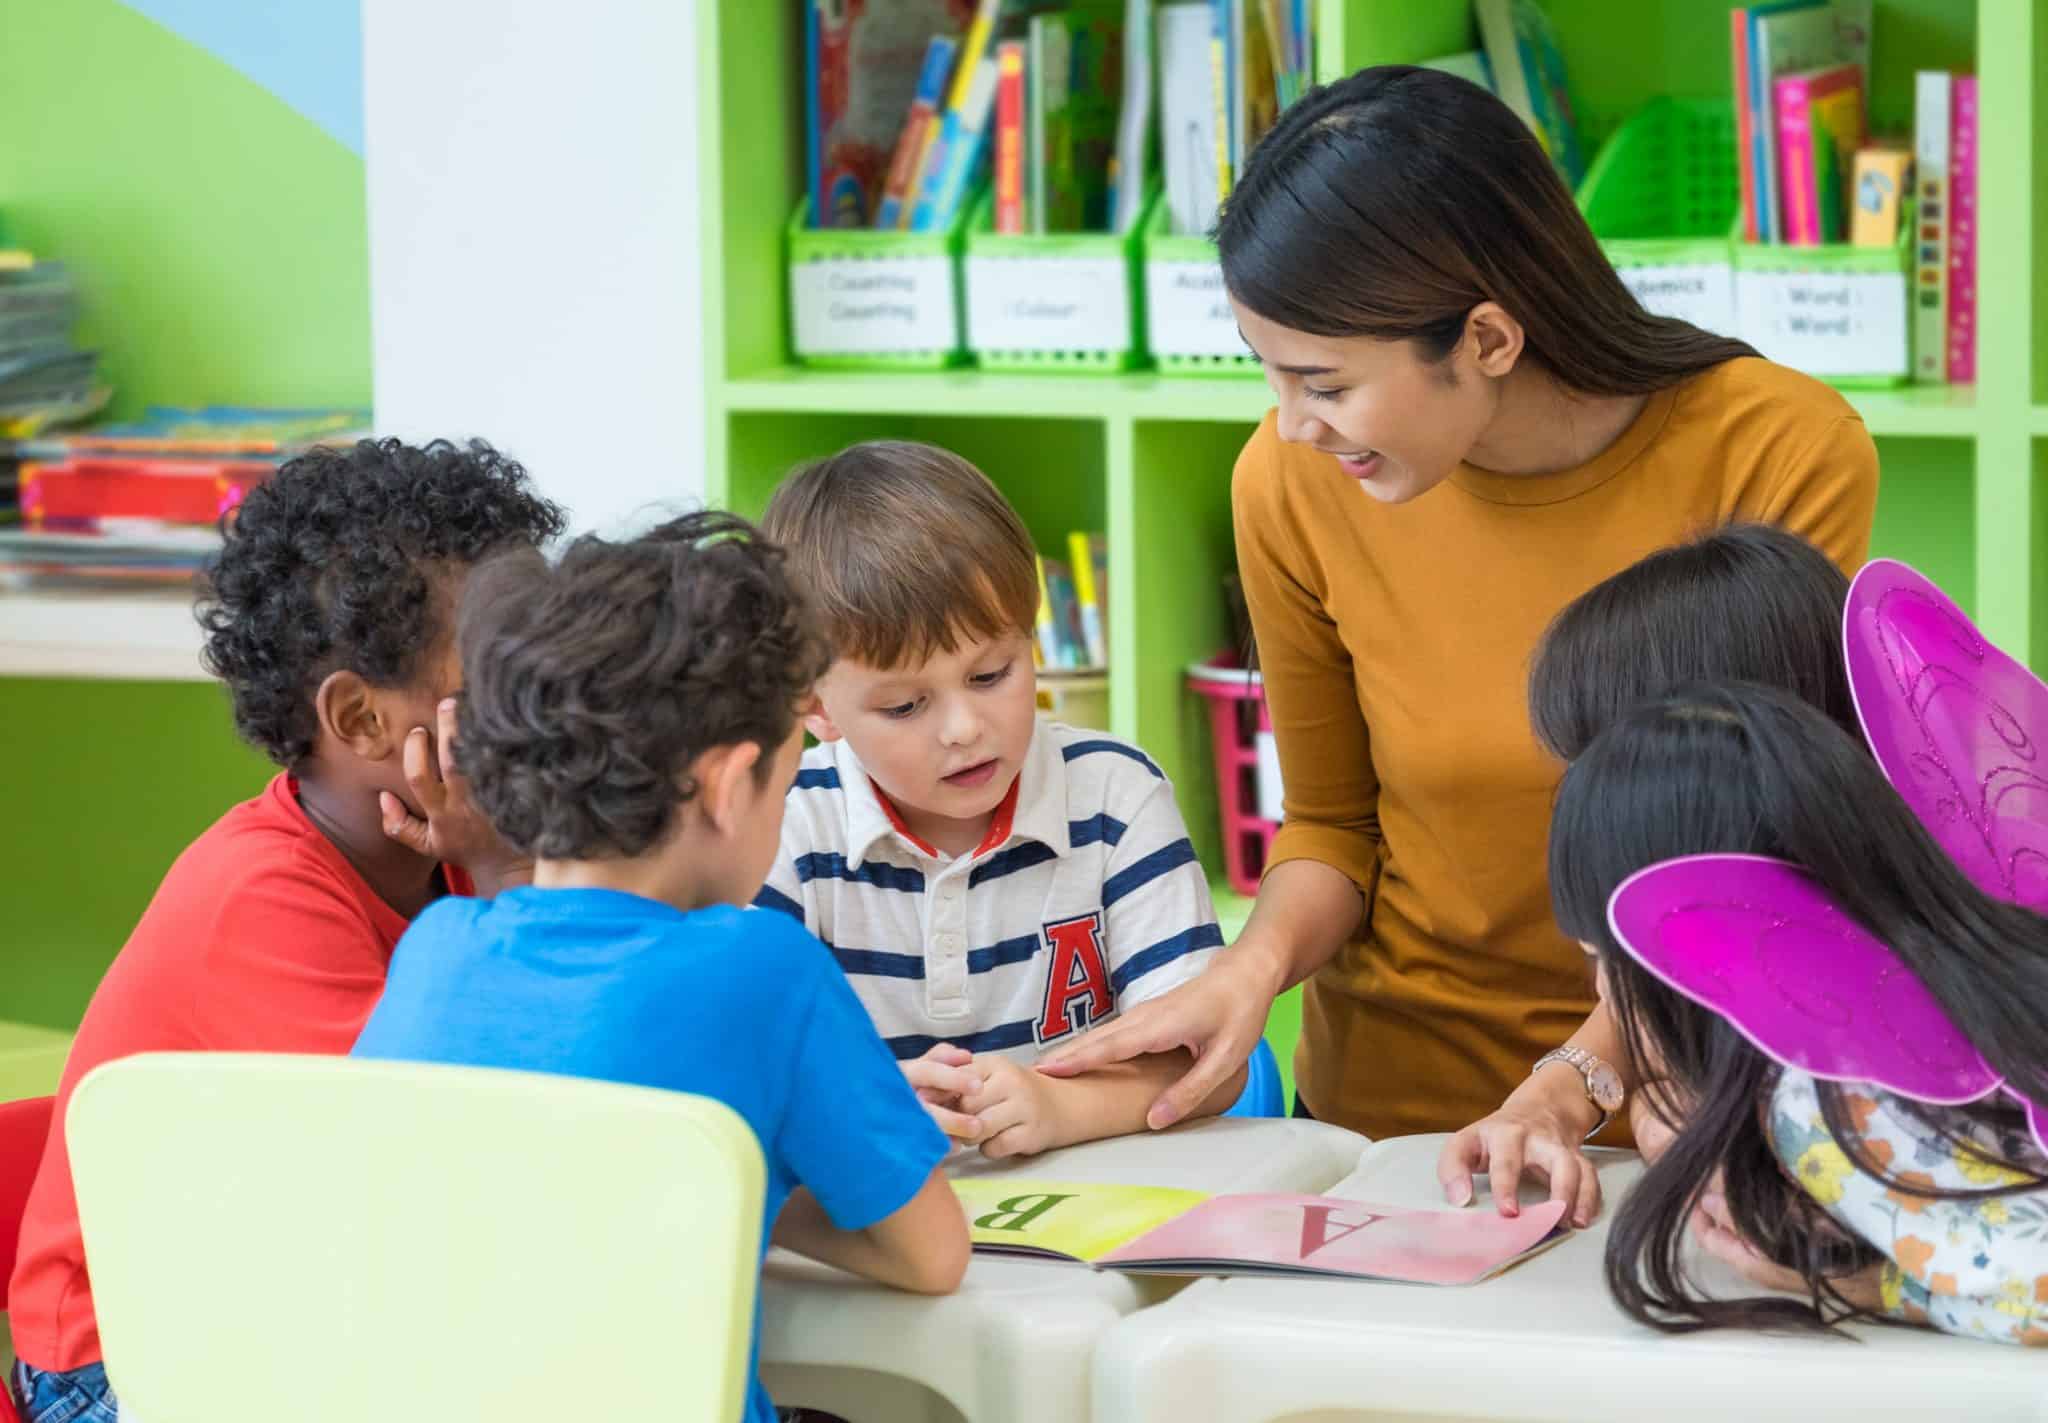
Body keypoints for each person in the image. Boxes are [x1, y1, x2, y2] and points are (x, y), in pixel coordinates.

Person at [1037, 63, 1878, 1223]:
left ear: (1485, 337)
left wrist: (1568, 1084)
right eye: (1270, 374)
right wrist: (1246, 971)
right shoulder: (1288, 481)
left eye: (1322, 380)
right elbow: (1333, 824)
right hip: (1386, 1134)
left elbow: (1746, 859)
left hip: (1686, 1121)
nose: (1290, 423)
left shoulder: (1776, 449)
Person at [354, 511, 968, 1423]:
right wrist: (751, 1174)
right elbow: (932, 1254)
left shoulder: (436, 946)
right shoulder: (765, 967)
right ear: (727, 787)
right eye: (789, 781)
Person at [10, 439, 564, 1422]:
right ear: (358, 718)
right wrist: (502, 876)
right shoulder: (263, 899)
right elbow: (460, 1151)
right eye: (501, 682)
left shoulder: (449, 843)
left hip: (297, 1304)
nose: (549, 711)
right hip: (126, 1355)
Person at [757, 441, 1244, 1160]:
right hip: (891, 1218)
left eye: (990, 674)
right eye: (904, 706)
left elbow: (1213, 1058)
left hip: (1094, 1212)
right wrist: (864, 1106)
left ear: (1032, 640)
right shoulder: (788, 825)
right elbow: (739, 1075)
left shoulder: (1115, 796)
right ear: (815, 708)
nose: (963, 729)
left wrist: (1063, 1105)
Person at [1552, 682, 2048, 1344]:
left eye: (1605, 958)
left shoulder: (1823, 1097)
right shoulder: (1962, 959)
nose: (1605, 994)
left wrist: (1868, 1286)